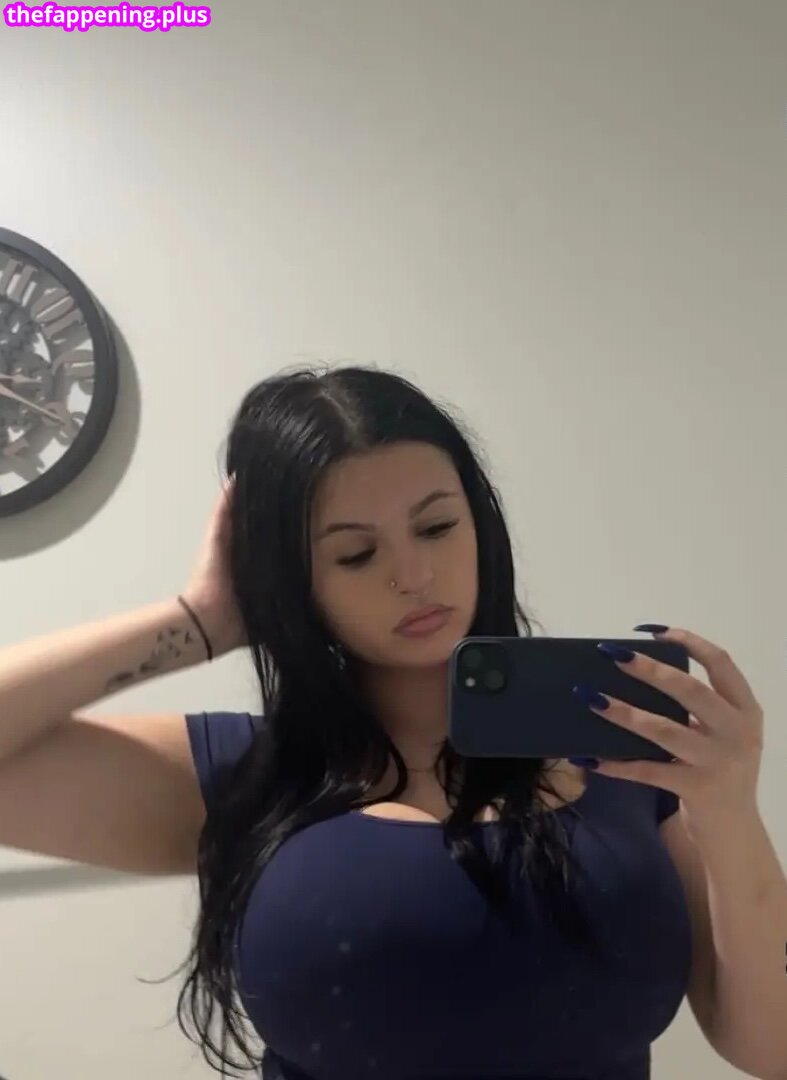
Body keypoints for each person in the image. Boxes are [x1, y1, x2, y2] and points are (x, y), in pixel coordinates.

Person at [0, 365, 690, 1080]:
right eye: (355, 554)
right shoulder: (249, 777)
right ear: (297, 580)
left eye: (436, 527)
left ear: (480, 525)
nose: (413, 576)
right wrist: (200, 621)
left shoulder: (623, 758)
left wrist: (725, 800)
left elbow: (759, 1041)